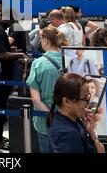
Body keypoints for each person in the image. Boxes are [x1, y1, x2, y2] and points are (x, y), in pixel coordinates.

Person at [0, 13, 28, 150]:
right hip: (2, 74)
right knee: (0, 105)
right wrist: (20, 55)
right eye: (11, 20)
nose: (11, 24)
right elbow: (2, 55)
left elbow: (2, 50)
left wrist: (11, 50)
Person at [26, 25, 66, 153]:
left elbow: (36, 99)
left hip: (45, 122)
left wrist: (51, 116)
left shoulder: (38, 64)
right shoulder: (70, 59)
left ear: (45, 41)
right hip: (69, 119)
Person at [47, 73, 105, 153]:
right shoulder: (69, 135)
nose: (88, 102)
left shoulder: (70, 120)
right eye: (85, 98)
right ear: (67, 101)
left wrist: (90, 131)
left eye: (89, 96)